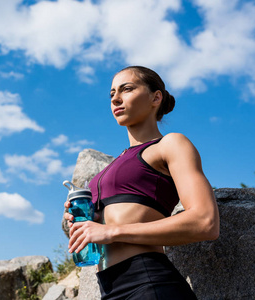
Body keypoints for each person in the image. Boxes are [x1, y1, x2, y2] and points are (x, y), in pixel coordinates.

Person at [64, 66, 220, 300]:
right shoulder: (111, 166)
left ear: (156, 97)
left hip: (149, 283)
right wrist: (86, 222)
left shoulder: (170, 144)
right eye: (112, 94)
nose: (116, 98)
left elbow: (205, 222)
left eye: (127, 89)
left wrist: (112, 231)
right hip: (109, 288)